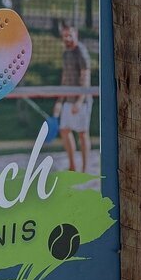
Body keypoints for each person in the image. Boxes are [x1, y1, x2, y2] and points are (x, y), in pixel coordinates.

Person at [54, 21, 93, 173]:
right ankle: (72, 166)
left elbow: (86, 76)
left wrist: (80, 100)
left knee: (83, 134)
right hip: (68, 99)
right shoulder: (66, 53)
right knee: (64, 130)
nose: (67, 38)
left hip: (81, 100)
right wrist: (59, 101)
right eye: (64, 36)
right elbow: (65, 78)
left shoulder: (81, 52)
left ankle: (85, 168)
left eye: (70, 35)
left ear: (75, 34)